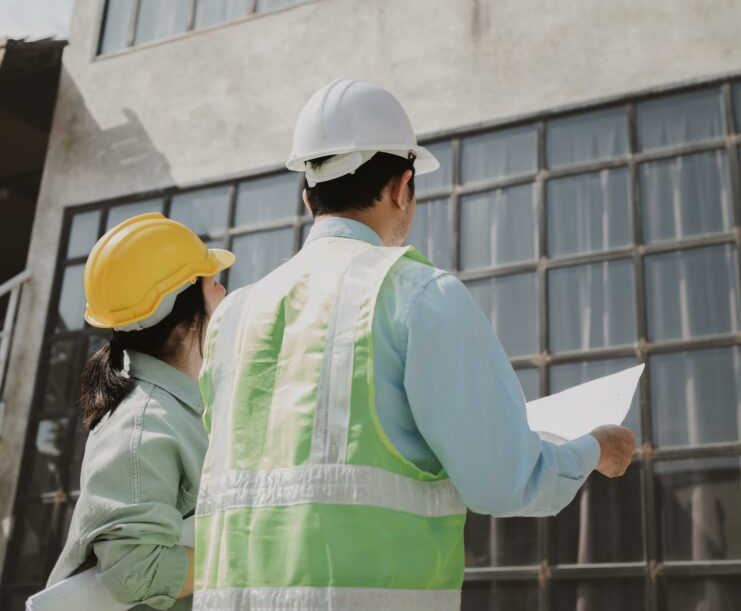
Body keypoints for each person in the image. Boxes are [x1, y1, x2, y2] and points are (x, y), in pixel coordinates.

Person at [192, 79, 636, 610]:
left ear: (307, 194)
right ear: (403, 187)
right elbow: (502, 480)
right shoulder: (418, 295)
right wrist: (594, 450)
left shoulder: (233, 316)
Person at [46, 213, 234, 610]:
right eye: (212, 282)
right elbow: (135, 571)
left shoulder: (188, 404)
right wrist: (249, 554)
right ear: (183, 319)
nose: (222, 292)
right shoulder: (142, 421)